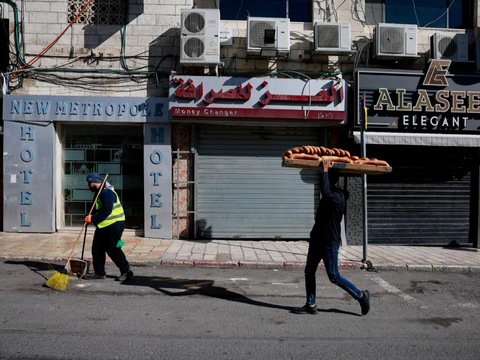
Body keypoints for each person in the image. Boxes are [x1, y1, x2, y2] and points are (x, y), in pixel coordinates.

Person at [292, 160, 370, 315]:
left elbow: (325, 191)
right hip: (316, 240)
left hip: (329, 243)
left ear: (331, 178)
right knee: (309, 271)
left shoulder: (338, 197)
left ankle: (361, 296)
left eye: (325, 176)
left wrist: (325, 170)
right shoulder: (332, 195)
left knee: (334, 276)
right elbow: (325, 192)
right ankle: (311, 305)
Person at [84, 172, 133, 282]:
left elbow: (106, 210)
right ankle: (99, 273)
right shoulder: (99, 192)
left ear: (95, 182)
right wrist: (90, 216)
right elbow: (98, 208)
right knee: (97, 249)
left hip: (114, 226)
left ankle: (126, 271)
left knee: (113, 249)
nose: (88, 185)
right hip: (104, 226)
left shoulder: (106, 193)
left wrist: (93, 218)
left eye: (89, 183)